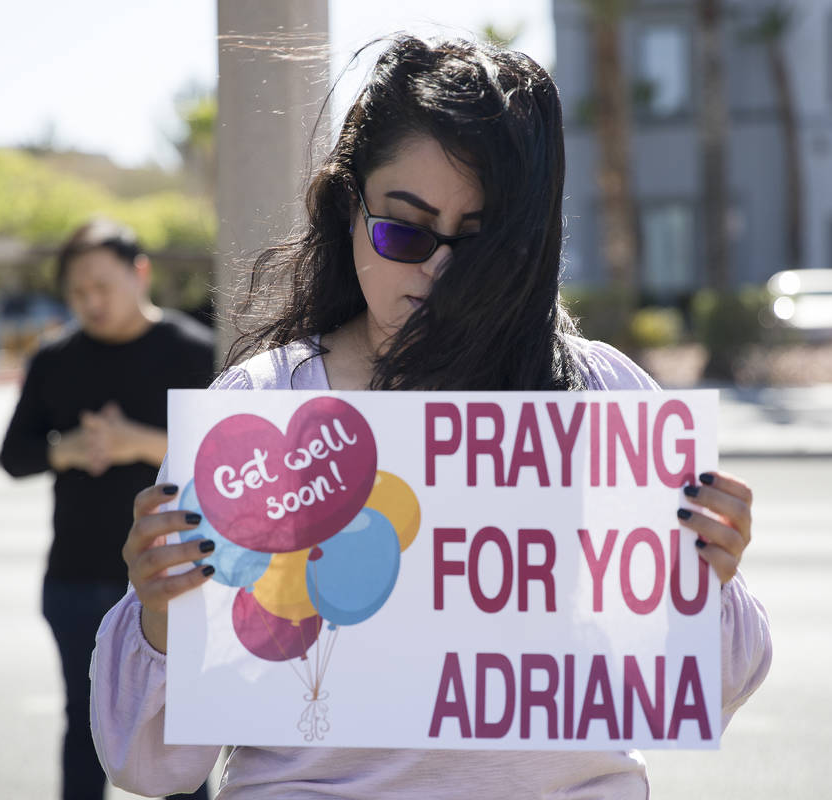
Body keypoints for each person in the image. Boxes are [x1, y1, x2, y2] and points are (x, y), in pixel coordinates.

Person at [90, 36, 772, 798]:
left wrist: (709, 575)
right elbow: (149, 763)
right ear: (347, 208)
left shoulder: (603, 398)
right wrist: (160, 616)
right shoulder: (263, 413)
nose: (438, 271)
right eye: (405, 231)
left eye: (478, 245)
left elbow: (709, 689)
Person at [0, 218, 215, 800]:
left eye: (102, 286)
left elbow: (234, 460)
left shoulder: (196, 351)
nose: (90, 302)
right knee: (84, 731)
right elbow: (13, 456)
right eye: (77, 292)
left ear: (139, 272)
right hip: (76, 576)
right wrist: (63, 449)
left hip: (176, 582)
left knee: (179, 737)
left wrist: (139, 442)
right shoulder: (55, 359)